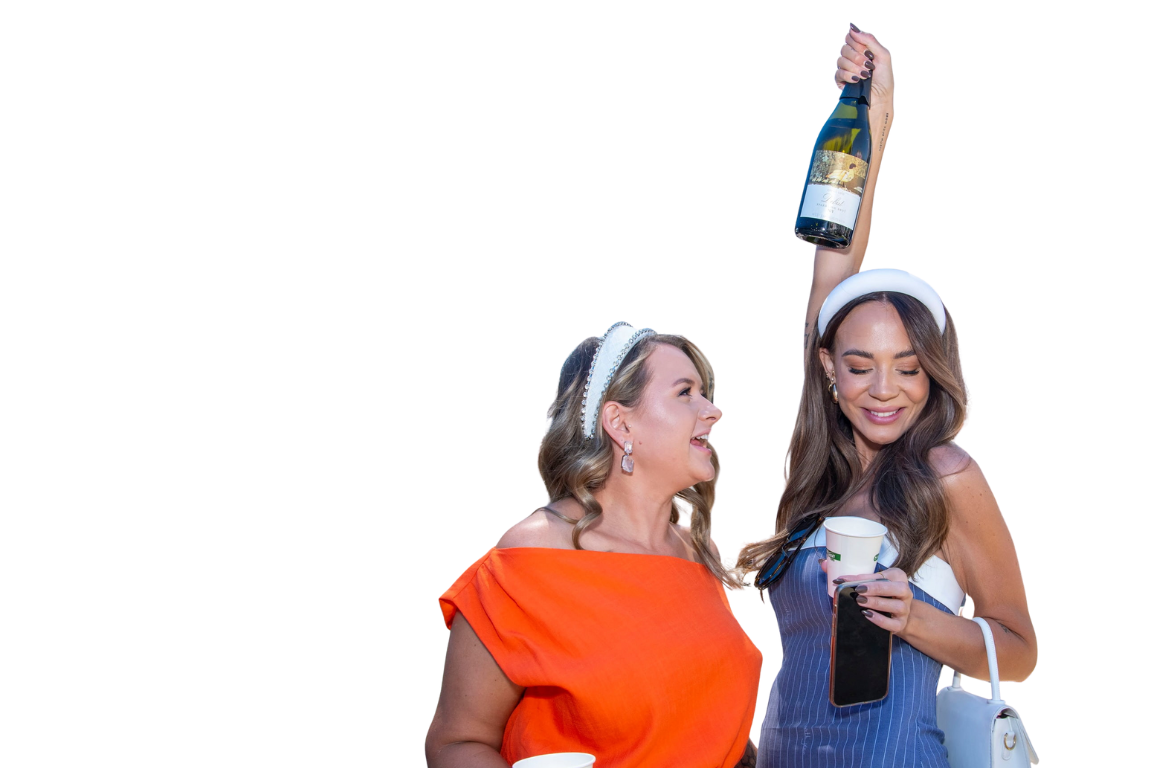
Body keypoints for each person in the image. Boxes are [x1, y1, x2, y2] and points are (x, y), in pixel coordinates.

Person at [731, 26, 1038, 766]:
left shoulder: (945, 473)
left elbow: (1020, 651)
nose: (884, 389)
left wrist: (918, 621)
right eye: (861, 365)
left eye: (907, 367)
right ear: (829, 372)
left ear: (932, 372)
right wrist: (861, 105)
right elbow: (833, 253)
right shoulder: (815, 468)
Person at [426, 323, 760, 768]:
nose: (712, 412)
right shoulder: (527, 562)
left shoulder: (698, 554)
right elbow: (455, 745)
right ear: (619, 422)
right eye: (685, 392)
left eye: (705, 393)